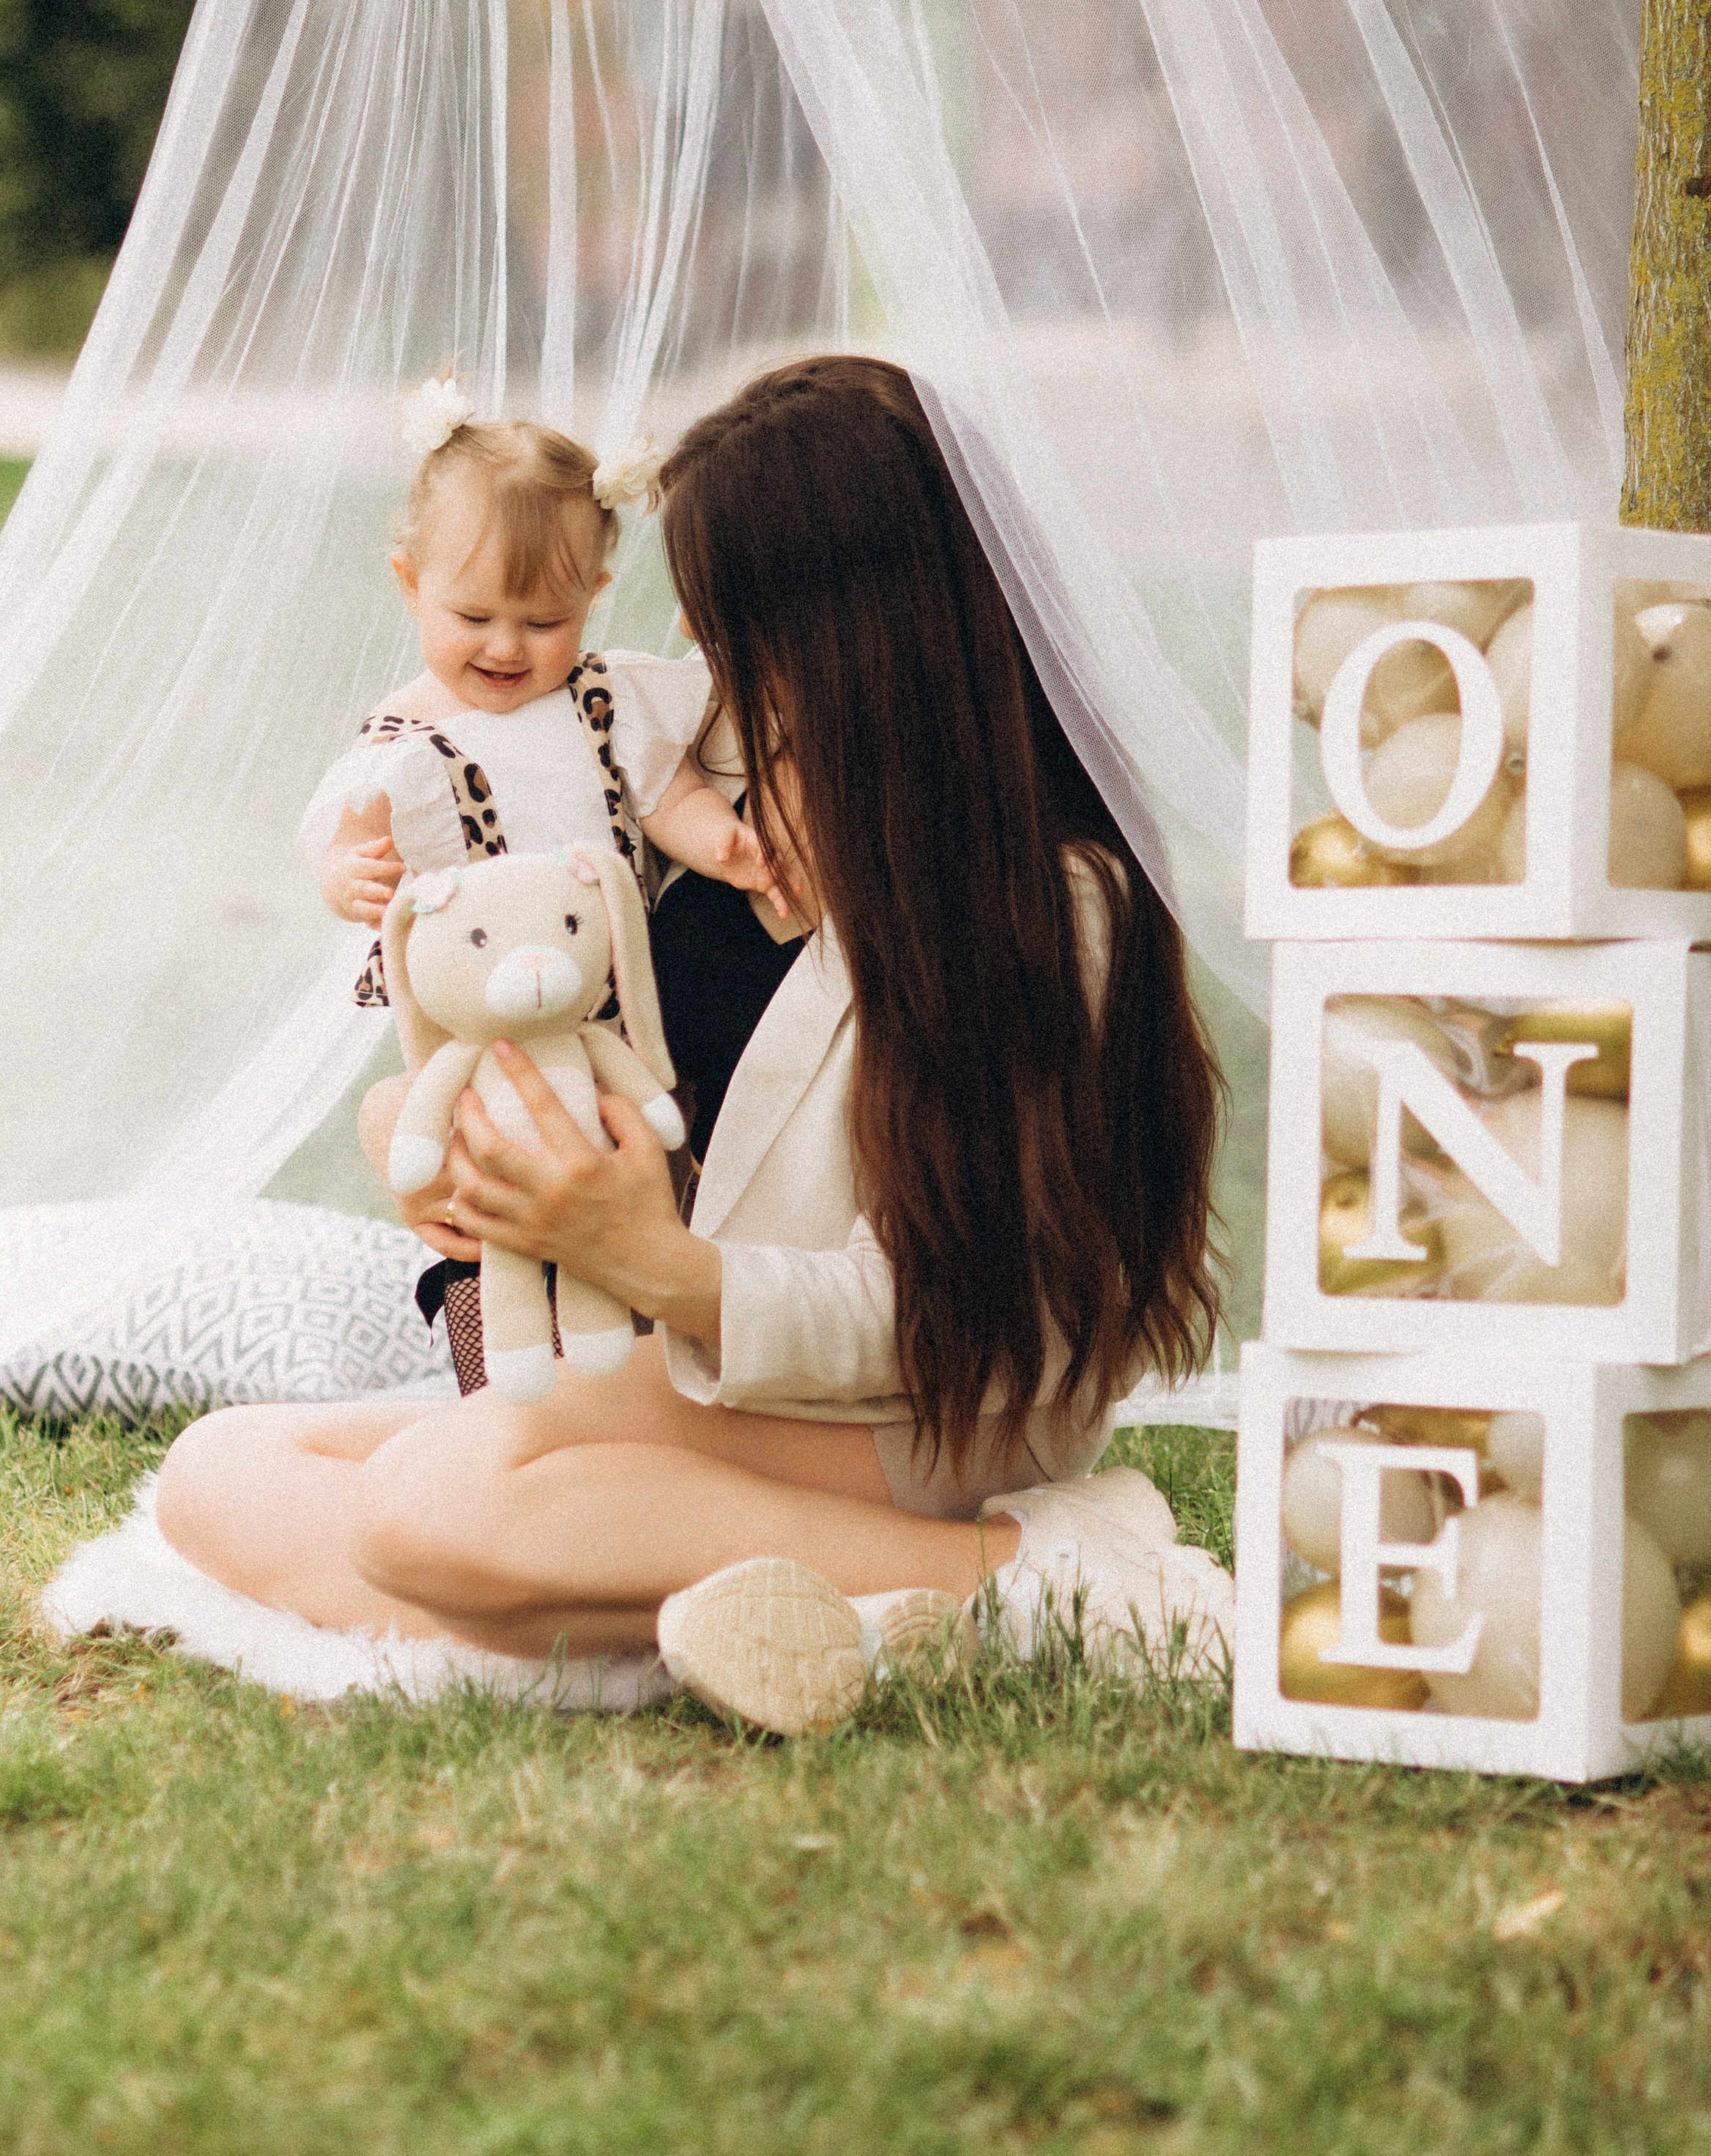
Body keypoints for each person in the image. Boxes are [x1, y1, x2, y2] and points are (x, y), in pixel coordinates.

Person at [158, 356, 1233, 1735]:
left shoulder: (1048, 906)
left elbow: (982, 1317)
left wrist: (662, 1267)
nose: (708, 677)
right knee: (220, 1468)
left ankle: (1030, 1572)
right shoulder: (724, 810)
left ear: (853, 628)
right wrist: (478, 1177)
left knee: (434, 1505)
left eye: (739, 634)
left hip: (916, 1418)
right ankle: (729, 1607)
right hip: (705, 1378)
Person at [295, 380, 795, 1384]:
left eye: (543, 620)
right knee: (493, 1190)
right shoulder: (408, 734)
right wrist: (345, 873)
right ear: (409, 583)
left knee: (638, 1174)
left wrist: (726, 845)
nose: (506, 647)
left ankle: (632, 1369)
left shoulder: (606, 702)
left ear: (595, 597)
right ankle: (499, 1366)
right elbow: (341, 828)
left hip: (608, 1015)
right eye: (473, 614)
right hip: (486, 1033)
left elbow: (668, 794)